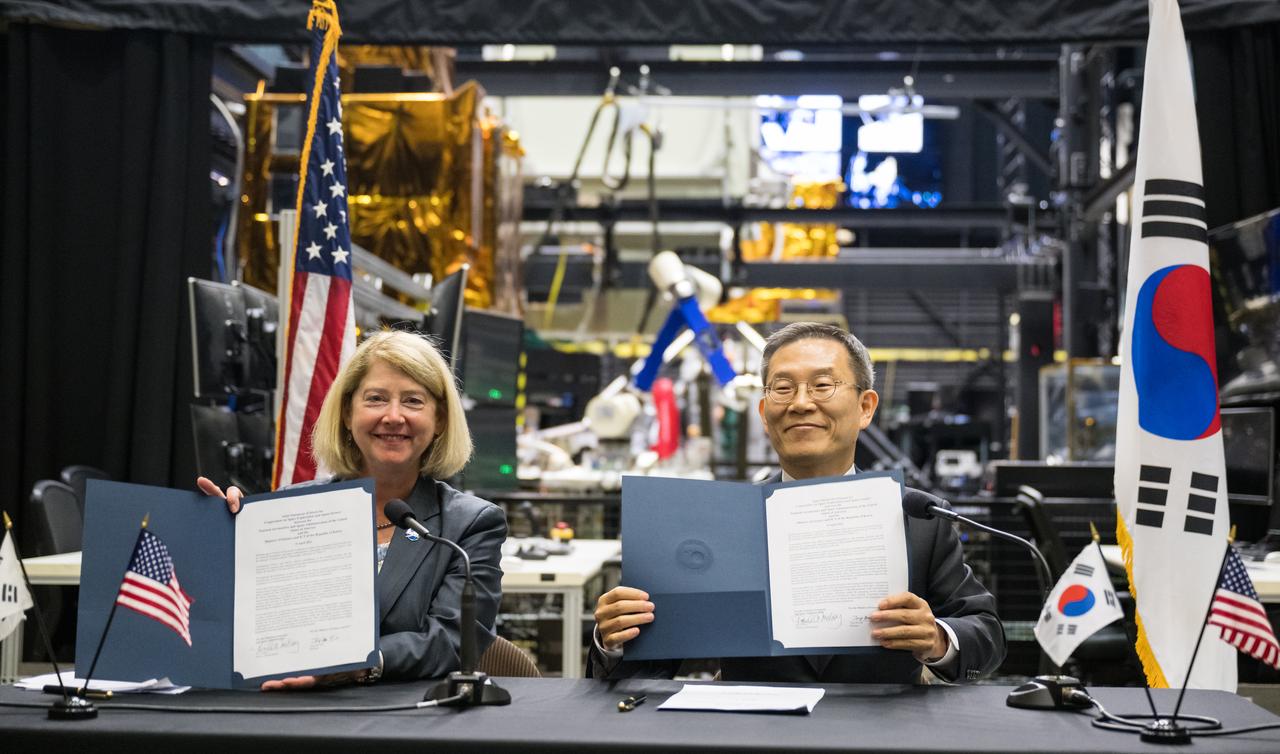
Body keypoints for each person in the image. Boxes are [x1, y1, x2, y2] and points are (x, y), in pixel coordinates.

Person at [591, 321, 1005, 683]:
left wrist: (936, 638)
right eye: (783, 388)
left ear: (865, 407)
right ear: (764, 411)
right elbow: (647, 670)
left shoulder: (917, 516)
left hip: (881, 736)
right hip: (754, 738)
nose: (801, 402)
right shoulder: (719, 522)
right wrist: (615, 638)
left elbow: (985, 632)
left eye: (823, 385)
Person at [198, 330, 506, 690]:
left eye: (413, 401)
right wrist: (220, 535)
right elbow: (243, 622)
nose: (393, 416)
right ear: (347, 413)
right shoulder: (289, 510)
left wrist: (357, 666)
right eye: (375, 399)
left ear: (439, 420)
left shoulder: (471, 524)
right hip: (291, 714)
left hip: (409, 723)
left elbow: (451, 640)